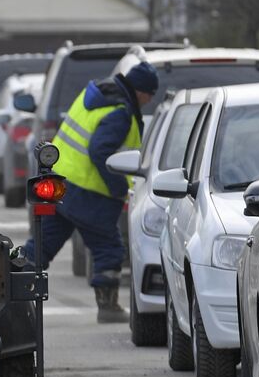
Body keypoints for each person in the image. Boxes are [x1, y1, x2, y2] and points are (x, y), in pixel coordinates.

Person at [18, 61, 158, 321]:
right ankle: (108, 307)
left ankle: (12, 293)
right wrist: (118, 188)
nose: (149, 101)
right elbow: (99, 151)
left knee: (42, 245)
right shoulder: (119, 112)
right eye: (149, 95)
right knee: (109, 248)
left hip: (59, 181)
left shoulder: (94, 95)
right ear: (140, 91)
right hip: (88, 191)